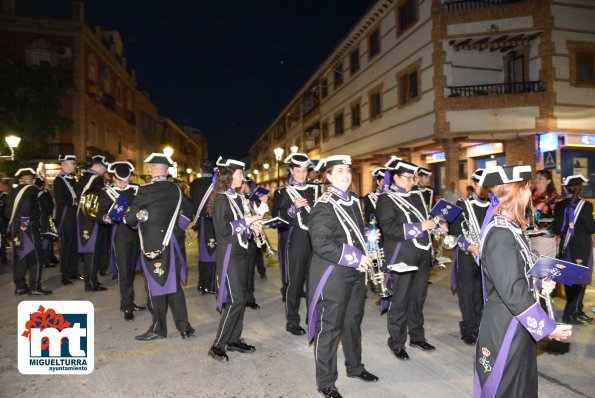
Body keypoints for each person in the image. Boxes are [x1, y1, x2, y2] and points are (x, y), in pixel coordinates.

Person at [474, 165, 572, 397]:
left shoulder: (511, 229)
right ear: (514, 192)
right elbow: (512, 291)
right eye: (526, 188)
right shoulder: (500, 234)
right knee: (507, 389)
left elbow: (516, 274)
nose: (529, 193)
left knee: (522, 388)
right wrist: (547, 327)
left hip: (518, 322)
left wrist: (538, 284)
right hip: (506, 326)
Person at [307, 155, 378, 398]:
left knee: (352, 322)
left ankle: (355, 367)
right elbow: (321, 244)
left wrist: (370, 237)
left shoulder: (352, 201)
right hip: (333, 273)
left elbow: (350, 234)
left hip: (355, 272)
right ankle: (326, 382)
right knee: (330, 328)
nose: (346, 175)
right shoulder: (324, 206)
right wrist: (356, 257)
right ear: (327, 176)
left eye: (347, 170)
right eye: (339, 171)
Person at [124, 153, 196, 340]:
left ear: (152, 169)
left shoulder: (145, 191)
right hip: (174, 243)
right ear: (166, 170)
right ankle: (184, 328)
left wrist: (139, 216)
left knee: (155, 286)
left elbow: (130, 219)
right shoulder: (177, 190)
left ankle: (158, 329)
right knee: (173, 286)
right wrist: (177, 227)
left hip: (154, 245)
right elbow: (190, 209)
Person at [376, 158, 437, 360]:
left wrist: (436, 224)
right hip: (400, 256)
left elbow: (425, 221)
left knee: (418, 299)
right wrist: (420, 226)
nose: (413, 182)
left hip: (422, 254)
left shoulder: (418, 196)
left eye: (414, 178)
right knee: (400, 300)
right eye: (409, 178)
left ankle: (417, 337)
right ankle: (396, 341)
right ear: (395, 177)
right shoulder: (386, 199)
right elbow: (389, 229)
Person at [207, 156, 262, 362]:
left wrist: (253, 225)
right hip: (229, 253)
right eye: (240, 173)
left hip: (241, 252)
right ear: (229, 175)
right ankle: (218, 344)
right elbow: (223, 230)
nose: (243, 177)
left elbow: (241, 224)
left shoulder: (239, 197)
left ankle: (234, 339)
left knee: (240, 299)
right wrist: (247, 220)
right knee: (236, 299)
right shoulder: (221, 198)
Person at [278, 153, 321, 336]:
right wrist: (293, 208)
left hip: (316, 242)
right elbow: (279, 219)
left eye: (305, 171)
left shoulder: (317, 190)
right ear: (292, 171)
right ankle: (292, 320)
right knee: (294, 284)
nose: (302, 174)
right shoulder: (283, 192)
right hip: (296, 242)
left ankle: (312, 317)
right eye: (298, 171)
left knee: (315, 283)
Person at [97, 161, 145, 321]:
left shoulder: (137, 190)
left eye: (125, 181)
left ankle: (130, 301)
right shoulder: (106, 192)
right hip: (120, 236)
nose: (123, 184)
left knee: (132, 270)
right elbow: (99, 216)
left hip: (137, 234)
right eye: (119, 181)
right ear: (113, 178)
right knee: (124, 271)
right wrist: (107, 218)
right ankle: (127, 306)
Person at [448, 168, 489, 345]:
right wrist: (469, 246)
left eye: (486, 185)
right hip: (466, 255)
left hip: (486, 256)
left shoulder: (494, 205)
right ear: (473, 184)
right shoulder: (462, 203)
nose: (482, 188)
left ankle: (479, 326)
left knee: (480, 293)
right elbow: (454, 231)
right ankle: (468, 330)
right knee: (467, 293)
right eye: (479, 184)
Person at [553, 174, 595, 325]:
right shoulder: (586, 205)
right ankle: (569, 314)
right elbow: (591, 227)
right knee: (580, 281)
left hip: (566, 247)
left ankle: (577, 310)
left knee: (570, 280)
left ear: (566, 188)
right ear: (581, 188)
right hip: (581, 248)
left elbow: (557, 228)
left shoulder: (559, 205)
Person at [5, 168, 52, 295]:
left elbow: (7, 211)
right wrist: (24, 222)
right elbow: (27, 205)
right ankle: (35, 287)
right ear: (34, 180)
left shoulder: (13, 191)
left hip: (15, 227)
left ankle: (20, 286)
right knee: (36, 257)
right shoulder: (32, 189)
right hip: (28, 228)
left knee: (21, 257)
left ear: (20, 179)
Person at [76, 155, 109, 291]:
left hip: (83, 219)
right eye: (105, 170)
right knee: (93, 252)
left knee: (89, 252)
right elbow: (100, 201)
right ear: (101, 168)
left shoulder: (82, 177)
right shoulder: (96, 179)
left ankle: (92, 280)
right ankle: (90, 283)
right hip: (92, 220)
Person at [189, 159, 218, 294]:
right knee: (213, 254)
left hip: (201, 222)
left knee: (203, 253)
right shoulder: (216, 184)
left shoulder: (194, 184)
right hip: (214, 222)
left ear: (201, 170)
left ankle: (202, 283)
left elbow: (193, 204)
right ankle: (210, 284)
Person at [240, 177, 269, 310]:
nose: (246, 187)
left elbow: (258, 215)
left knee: (249, 269)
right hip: (237, 239)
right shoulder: (232, 198)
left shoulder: (249, 199)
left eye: (246, 185)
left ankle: (249, 298)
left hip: (250, 238)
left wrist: (264, 203)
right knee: (238, 271)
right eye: (244, 184)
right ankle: (236, 298)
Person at [53, 154, 80, 285]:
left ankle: (73, 271)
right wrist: (75, 201)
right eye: (73, 163)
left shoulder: (73, 179)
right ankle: (65, 275)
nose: (75, 165)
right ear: (65, 164)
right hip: (65, 215)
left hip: (74, 215)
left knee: (74, 244)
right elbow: (60, 199)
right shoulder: (59, 180)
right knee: (66, 245)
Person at [529, 169, 559, 257]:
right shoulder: (530, 194)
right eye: (536, 178)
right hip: (528, 235)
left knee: (542, 267)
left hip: (544, 237)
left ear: (548, 181)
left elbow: (556, 218)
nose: (537, 180)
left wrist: (536, 213)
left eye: (540, 178)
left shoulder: (552, 197)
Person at [34, 175, 56, 269]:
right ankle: (46, 260)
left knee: (38, 240)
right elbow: (50, 207)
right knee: (46, 239)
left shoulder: (32, 193)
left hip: (35, 220)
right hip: (44, 219)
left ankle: (40, 259)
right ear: (43, 184)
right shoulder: (44, 194)